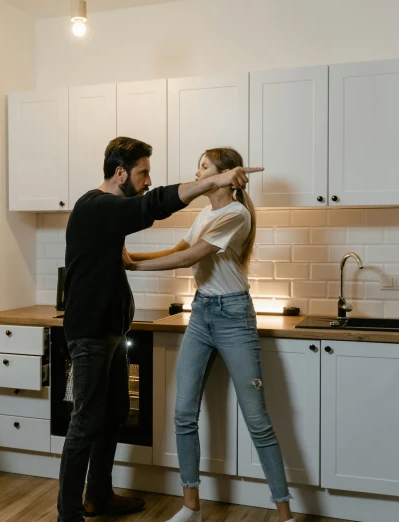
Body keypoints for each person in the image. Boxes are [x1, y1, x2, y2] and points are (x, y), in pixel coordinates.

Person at [59, 137, 262, 522]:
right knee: (85, 422)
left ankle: (98, 496)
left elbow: (155, 232)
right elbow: (154, 207)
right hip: (89, 332)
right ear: (120, 174)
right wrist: (211, 183)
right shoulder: (96, 205)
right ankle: (68, 514)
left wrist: (132, 264)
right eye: (143, 172)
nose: (149, 180)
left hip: (112, 331)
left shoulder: (111, 210)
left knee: (115, 411)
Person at [124, 147, 295, 522]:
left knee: (257, 421)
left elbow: (189, 258)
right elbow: (177, 249)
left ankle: (284, 514)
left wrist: (133, 269)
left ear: (225, 174)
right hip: (201, 312)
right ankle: (191, 508)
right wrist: (132, 258)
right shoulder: (205, 212)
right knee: (184, 412)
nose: (197, 173)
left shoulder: (236, 213)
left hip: (233, 316)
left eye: (203, 167)